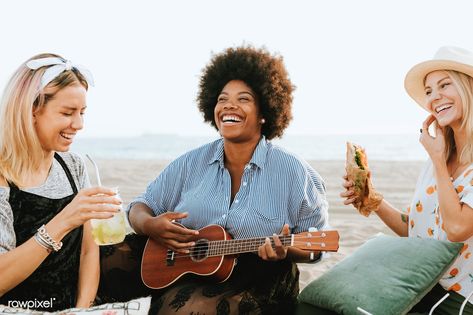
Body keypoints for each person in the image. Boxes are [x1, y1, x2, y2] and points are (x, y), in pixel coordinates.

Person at [128, 46, 329, 314]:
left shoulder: (293, 171)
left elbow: (316, 244)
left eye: (243, 99)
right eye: (222, 99)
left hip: (259, 280)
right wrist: (149, 224)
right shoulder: (192, 162)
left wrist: (287, 251)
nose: (229, 106)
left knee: (188, 307)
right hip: (190, 269)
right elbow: (142, 204)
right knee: (105, 258)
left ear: (265, 111)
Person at [341, 46, 473, 313]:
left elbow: (458, 228)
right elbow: (417, 232)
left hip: (459, 299)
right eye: (429, 91)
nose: (435, 97)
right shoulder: (439, 155)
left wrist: (436, 159)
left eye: (445, 85)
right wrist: (372, 199)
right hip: (421, 284)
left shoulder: (436, 156)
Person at [0, 54, 121, 311]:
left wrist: (82, 308)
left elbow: (89, 251)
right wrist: (64, 221)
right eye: (67, 113)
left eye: (82, 113)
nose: (78, 124)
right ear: (32, 110)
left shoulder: (72, 166)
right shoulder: (3, 177)